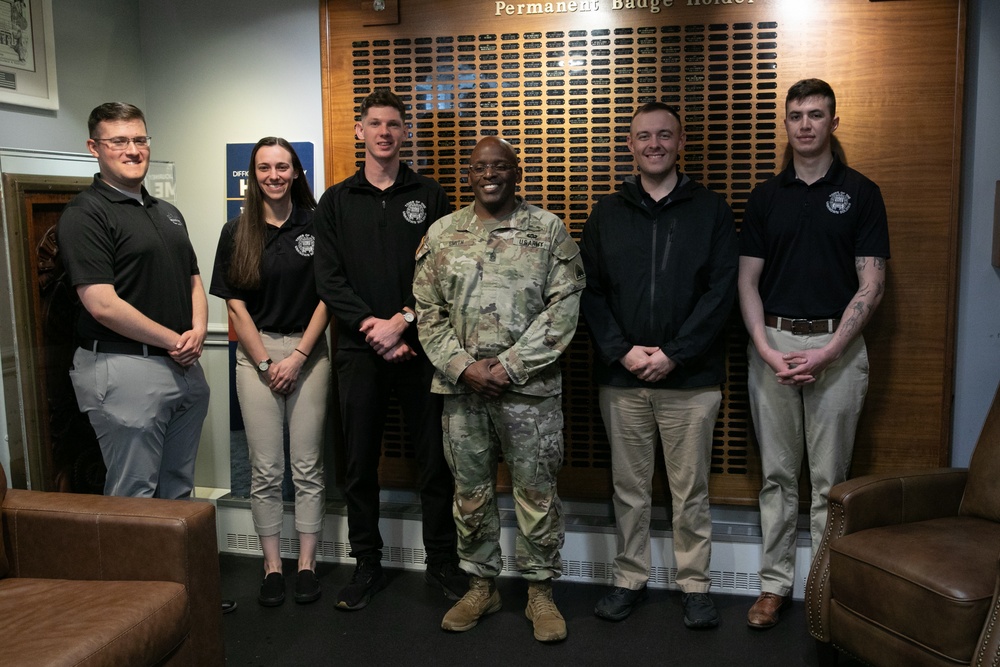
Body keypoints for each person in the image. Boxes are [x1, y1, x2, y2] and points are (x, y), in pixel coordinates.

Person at [412, 135, 586, 642]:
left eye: (500, 166)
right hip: (462, 392)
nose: (490, 174)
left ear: (517, 172)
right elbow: (427, 311)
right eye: (480, 167)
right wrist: (464, 367)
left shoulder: (547, 231)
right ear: (468, 174)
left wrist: (508, 367)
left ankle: (539, 592)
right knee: (469, 493)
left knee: (536, 493)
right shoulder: (442, 234)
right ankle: (481, 586)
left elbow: (565, 308)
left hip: (529, 394)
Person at [738, 78, 889, 629]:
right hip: (773, 348)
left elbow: (870, 285)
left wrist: (829, 351)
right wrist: (765, 348)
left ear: (833, 123)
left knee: (830, 482)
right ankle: (774, 586)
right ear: (787, 123)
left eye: (816, 115)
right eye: (796, 115)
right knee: (777, 477)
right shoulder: (765, 196)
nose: (805, 124)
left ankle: (824, 587)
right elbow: (747, 282)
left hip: (838, 349)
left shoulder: (862, 192)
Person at [580, 102, 738, 629]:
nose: (654, 144)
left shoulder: (711, 210)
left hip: (691, 379)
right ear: (630, 144)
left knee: (690, 490)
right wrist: (624, 351)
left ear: (680, 142)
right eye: (644, 136)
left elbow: (721, 294)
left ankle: (694, 585)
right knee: (629, 488)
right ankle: (629, 578)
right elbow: (590, 293)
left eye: (664, 135)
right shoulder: (605, 213)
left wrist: (675, 353)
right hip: (621, 378)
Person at [314, 89, 465, 610]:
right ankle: (368, 566)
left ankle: (443, 565)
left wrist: (401, 322)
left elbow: (441, 272)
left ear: (405, 133)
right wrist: (370, 329)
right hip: (359, 352)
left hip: (422, 348)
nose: (384, 132)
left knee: (434, 464)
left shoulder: (432, 194)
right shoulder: (335, 201)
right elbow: (328, 279)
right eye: (374, 124)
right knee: (358, 464)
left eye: (394, 125)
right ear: (360, 131)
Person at [59, 102, 211, 501]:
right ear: (94, 147)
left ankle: (175, 567)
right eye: (119, 141)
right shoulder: (85, 213)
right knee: (134, 494)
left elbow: (193, 278)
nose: (133, 149)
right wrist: (175, 340)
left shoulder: (167, 211)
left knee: (177, 489)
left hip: (182, 367)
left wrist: (196, 331)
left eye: (140, 139)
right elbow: (101, 304)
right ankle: (133, 568)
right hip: (124, 366)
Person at [210, 137, 330, 607]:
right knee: (265, 469)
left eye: (283, 166)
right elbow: (234, 305)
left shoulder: (319, 226)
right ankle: (272, 565)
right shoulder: (236, 231)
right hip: (255, 356)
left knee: (306, 466)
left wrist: (298, 356)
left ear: (297, 172)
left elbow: (329, 296)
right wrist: (264, 362)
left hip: (309, 352)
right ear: (253, 175)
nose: (274, 175)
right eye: (264, 168)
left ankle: (306, 564)